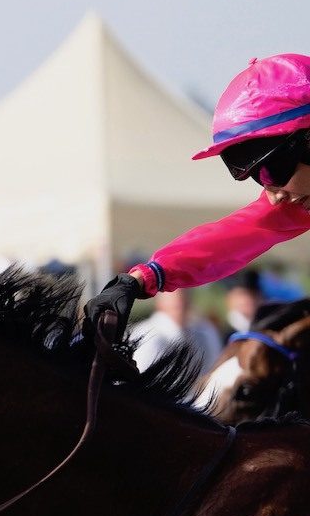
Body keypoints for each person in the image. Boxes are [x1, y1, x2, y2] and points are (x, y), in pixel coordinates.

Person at [86, 54, 310, 337]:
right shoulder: (297, 199)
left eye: (274, 169)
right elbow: (233, 237)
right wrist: (141, 278)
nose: (275, 197)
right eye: (258, 176)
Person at [127, 286, 223, 376]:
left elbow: (212, 373)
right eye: (176, 305)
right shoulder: (148, 334)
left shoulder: (202, 332)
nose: (181, 303)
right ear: (159, 303)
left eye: (183, 302)